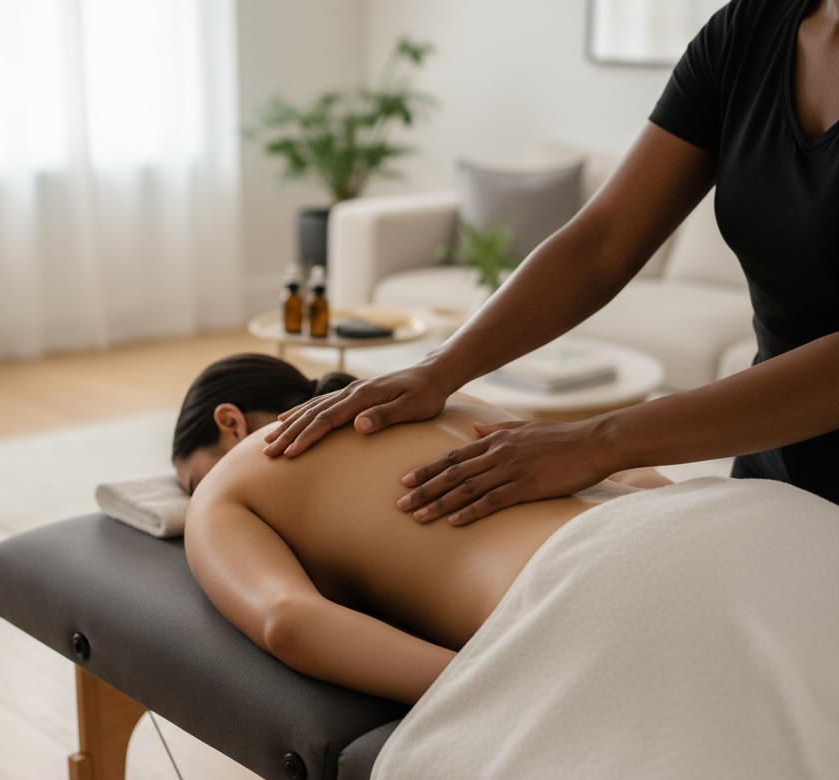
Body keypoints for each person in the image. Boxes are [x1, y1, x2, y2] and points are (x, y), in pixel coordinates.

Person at [262, 0, 839, 519]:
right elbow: (602, 242)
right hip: (773, 479)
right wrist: (441, 368)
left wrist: (598, 442)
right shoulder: (747, 32)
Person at [174, 354, 667, 704]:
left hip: (586, 603)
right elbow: (631, 476)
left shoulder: (224, 486)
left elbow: (289, 622)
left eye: (190, 481)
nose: (194, 495)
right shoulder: (443, 397)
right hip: (684, 521)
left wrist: (496, 690)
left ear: (230, 422)